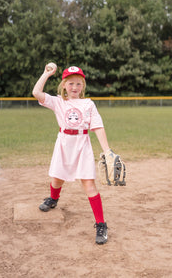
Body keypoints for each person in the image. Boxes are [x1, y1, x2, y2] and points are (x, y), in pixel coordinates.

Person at [32, 64, 110, 245]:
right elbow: (36, 92)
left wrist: (107, 150)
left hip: (82, 145)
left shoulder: (88, 103)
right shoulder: (59, 101)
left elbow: (97, 126)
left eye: (78, 84)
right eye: (71, 83)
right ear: (64, 85)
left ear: (83, 86)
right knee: (57, 179)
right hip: (64, 144)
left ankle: (101, 224)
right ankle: (53, 199)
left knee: (89, 184)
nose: (75, 87)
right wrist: (46, 73)